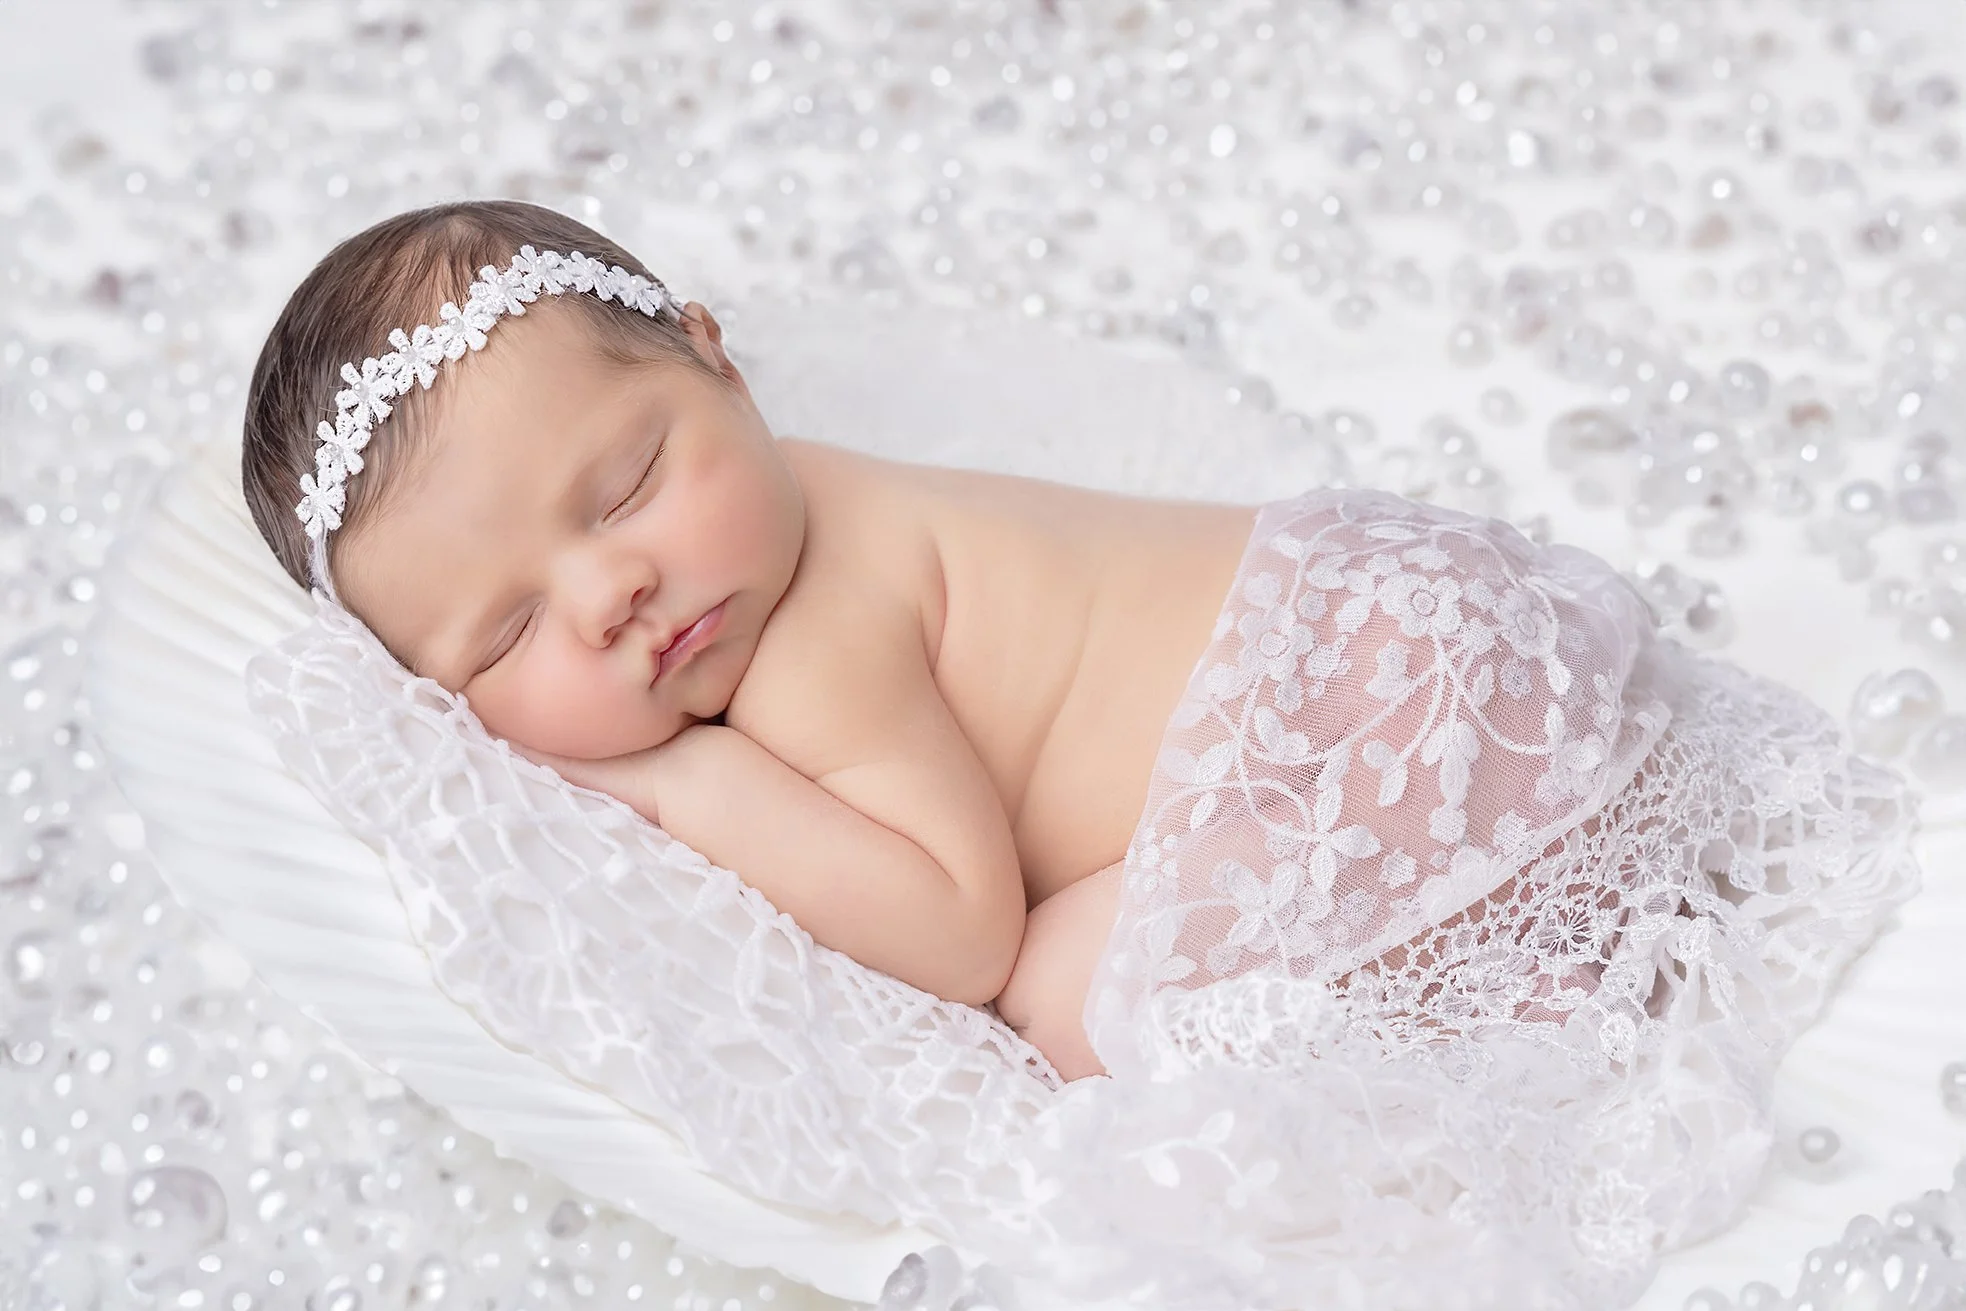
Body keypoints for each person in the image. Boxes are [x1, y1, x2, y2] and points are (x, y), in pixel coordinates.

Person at [240, 198, 1918, 1093]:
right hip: (1397, 612)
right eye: (513, 628)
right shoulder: (772, 511)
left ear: (720, 365)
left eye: (626, 483)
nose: (611, 588)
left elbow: (957, 927)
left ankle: (1535, 950)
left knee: (1054, 1004)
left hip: (1377, 703)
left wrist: (688, 790)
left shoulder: (816, 634)